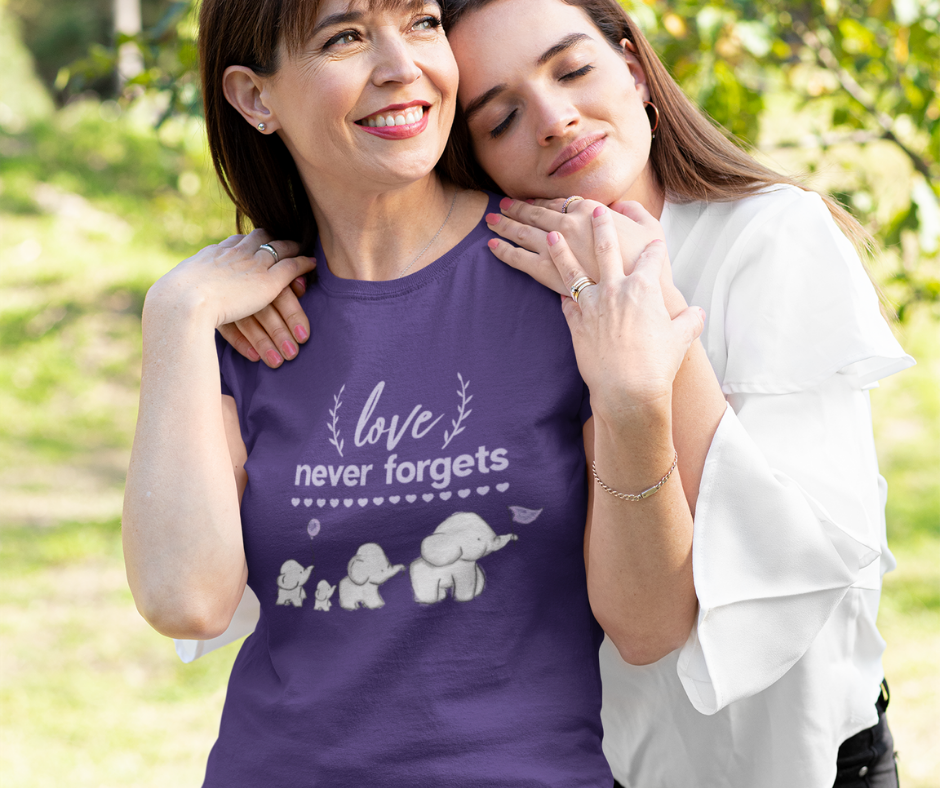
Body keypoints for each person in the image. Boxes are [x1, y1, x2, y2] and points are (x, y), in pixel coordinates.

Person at [210, 0, 914, 786]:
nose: (552, 121)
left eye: (574, 71)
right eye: (499, 118)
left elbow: (797, 559)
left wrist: (648, 328)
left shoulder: (767, 238)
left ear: (636, 68)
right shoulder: (520, 281)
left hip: (800, 756)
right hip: (613, 761)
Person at [123, 0, 709, 785]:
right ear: (255, 98)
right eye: (346, 37)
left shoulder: (569, 269)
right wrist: (175, 316)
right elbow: (184, 600)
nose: (403, 68)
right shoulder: (244, 319)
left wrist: (633, 399)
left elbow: (651, 626)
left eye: (423, 23)